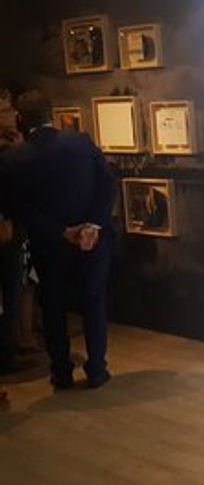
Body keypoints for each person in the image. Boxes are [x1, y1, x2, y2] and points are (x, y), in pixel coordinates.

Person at [1, 90, 117, 390]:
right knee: (94, 302)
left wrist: (60, 232)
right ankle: (96, 369)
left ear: (21, 118)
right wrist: (92, 225)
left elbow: (20, 209)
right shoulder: (80, 141)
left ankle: (62, 372)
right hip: (92, 240)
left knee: (53, 308)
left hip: (50, 244)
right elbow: (106, 184)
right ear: (51, 113)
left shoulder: (14, 158)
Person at [0, 89, 26, 374]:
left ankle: (7, 352)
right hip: (3, 227)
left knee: (12, 291)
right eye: (5, 111)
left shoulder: (14, 146)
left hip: (13, 228)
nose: (11, 115)